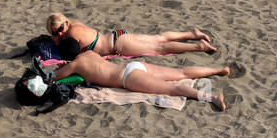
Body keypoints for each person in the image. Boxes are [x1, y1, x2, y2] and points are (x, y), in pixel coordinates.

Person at [19, 50, 231, 111]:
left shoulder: (75, 66)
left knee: (172, 89)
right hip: (134, 66)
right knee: (182, 73)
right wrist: (67, 64)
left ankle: (212, 97)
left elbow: (51, 79)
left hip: (128, 78)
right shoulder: (88, 55)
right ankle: (220, 69)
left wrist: (61, 69)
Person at [45, 14, 218, 58]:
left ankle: (198, 46)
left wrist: (57, 40)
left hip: (117, 45)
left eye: (60, 28)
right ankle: (191, 34)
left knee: (160, 48)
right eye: (55, 32)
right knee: (158, 38)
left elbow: (70, 55)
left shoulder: (71, 33)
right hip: (117, 36)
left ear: (65, 22)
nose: (60, 33)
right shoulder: (75, 24)